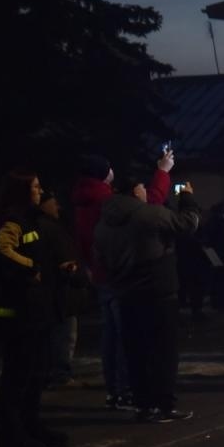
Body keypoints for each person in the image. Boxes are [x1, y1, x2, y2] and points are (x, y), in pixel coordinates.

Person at [94, 168, 201, 423]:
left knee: (135, 351)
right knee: (163, 351)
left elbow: (99, 256)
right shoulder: (149, 214)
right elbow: (188, 224)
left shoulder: (104, 220)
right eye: (143, 187)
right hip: (158, 291)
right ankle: (163, 404)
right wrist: (186, 198)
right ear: (136, 190)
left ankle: (143, 404)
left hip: (125, 292)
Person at [0, 170, 70, 447]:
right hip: (19, 316)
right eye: (35, 187)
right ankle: (10, 437)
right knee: (17, 377)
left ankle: (31, 426)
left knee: (36, 373)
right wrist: (30, 267)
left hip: (35, 312)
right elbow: (1, 248)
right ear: (21, 192)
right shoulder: (13, 220)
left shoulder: (32, 220)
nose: (40, 191)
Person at [72, 154, 133, 409]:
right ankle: (124, 390)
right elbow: (145, 209)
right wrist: (163, 173)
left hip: (98, 273)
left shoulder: (81, 200)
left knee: (110, 334)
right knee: (124, 335)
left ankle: (114, 390)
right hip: (116, 273)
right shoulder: (106, 201)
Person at [36, 189, 83, 387]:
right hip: (60, 293)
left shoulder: (36, 227)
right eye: (53, 203)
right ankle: (60, 375)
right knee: (64, 335)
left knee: (51, 336)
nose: (58, 207)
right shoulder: (52, 229)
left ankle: (49, 373)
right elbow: (64, 260)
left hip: (49, 293)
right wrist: (75, 274)